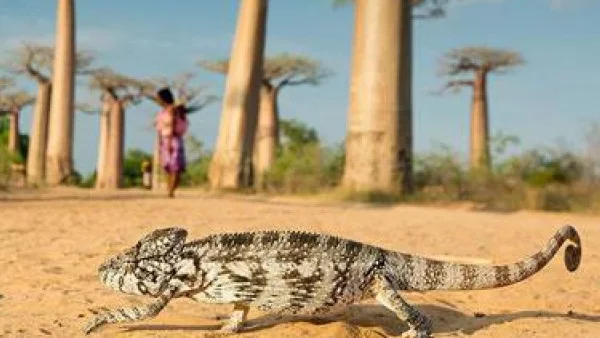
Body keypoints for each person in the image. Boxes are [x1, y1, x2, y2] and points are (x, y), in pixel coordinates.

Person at [154, 87, 189, 197]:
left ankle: (171, 191)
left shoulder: (173, 110)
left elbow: (172, 125)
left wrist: (169, 142)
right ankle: (170, 189)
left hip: (172, 139)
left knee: (175, 166)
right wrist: (160, 142)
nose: (157, 100)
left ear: (163, 98)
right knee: (168, 167)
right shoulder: (163, 111)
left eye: (158, 98)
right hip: (165, 139)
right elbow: (159, 128)